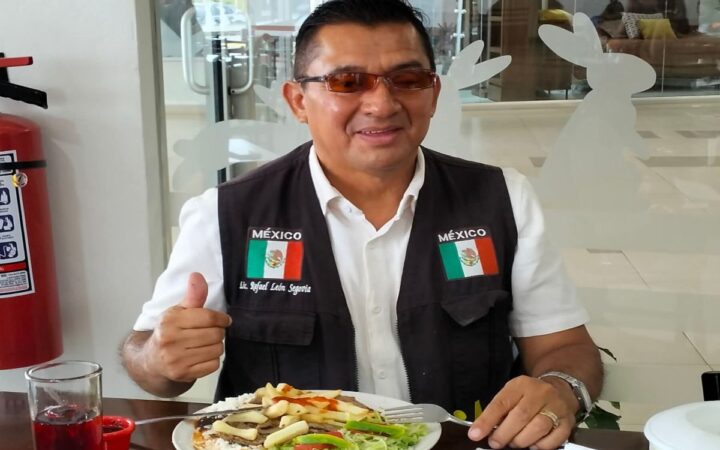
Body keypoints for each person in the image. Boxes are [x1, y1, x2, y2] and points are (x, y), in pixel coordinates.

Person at [121, 1, 602, 449]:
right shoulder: (227, 214)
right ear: (298, 100)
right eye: (347, 82)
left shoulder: (500, 199)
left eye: (407, 79)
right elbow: (145, 359)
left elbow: (565, 346)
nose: (382, 104)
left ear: (433, 93)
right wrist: (160, 358)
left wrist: (562, 388)